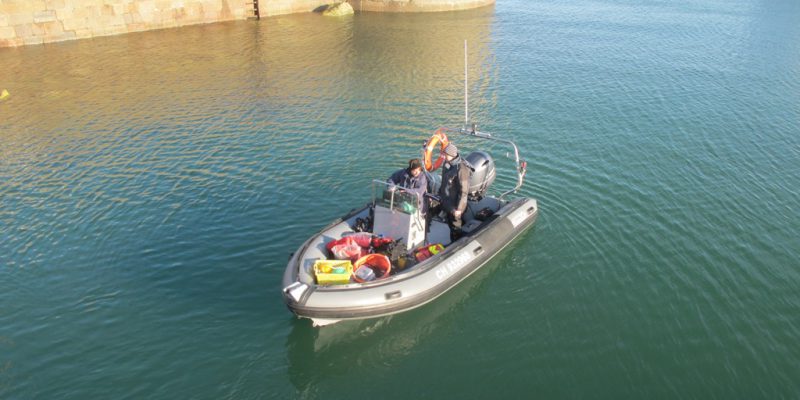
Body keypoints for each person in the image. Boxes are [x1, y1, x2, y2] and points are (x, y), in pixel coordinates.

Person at [437, 143, 470, 242]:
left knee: (455, 225)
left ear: (451, 155)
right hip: (446, 200)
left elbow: (464, 191)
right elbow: (444, 182)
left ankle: (457, 242)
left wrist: (459, 209)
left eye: (445, 154)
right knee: (449, 221)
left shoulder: (461, 169)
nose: (443, 156)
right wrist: (439, 194)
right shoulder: (447, 164)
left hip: (455, 203)